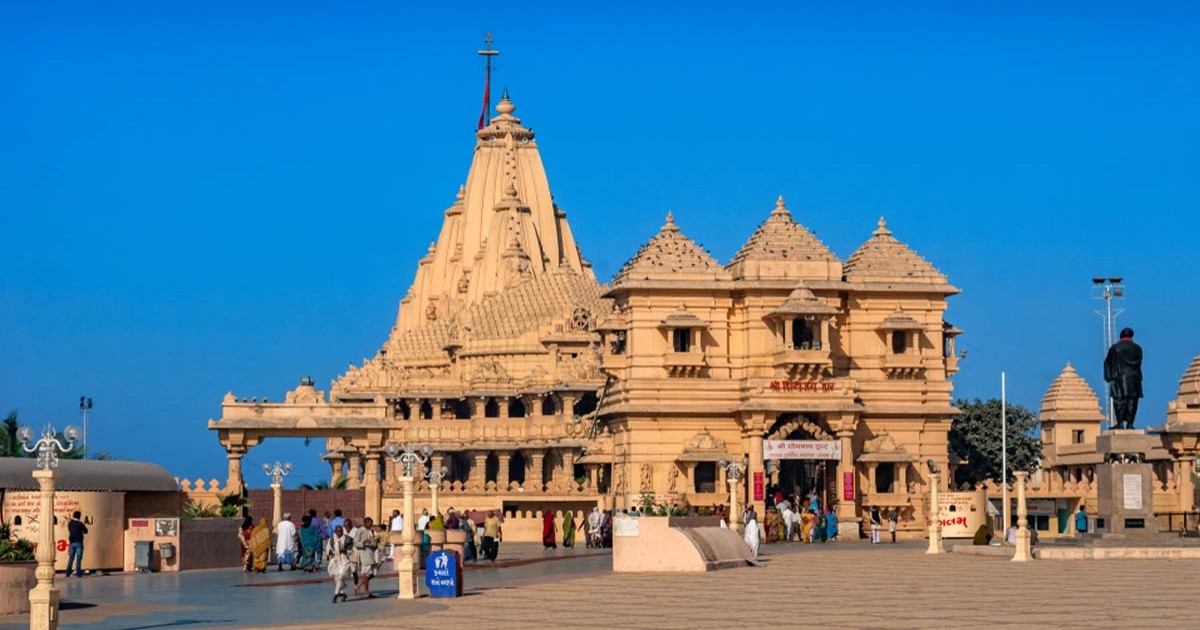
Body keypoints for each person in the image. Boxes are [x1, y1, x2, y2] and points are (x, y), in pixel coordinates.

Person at [1104, 327, 1144, 430]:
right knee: (1132, 402)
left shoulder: (1115, 348)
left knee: (1119, 401)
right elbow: (1139, 363)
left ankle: (1120, 423)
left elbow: (1108, 362)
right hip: (1134, 379)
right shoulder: (1138, 348)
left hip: (1119, 378)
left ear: (1121, 335)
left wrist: (1108, 376)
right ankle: (1130, 424)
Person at [324, 525, 352, 603]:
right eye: (338, 531)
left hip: (344, 560)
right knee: (337, 578)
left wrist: (345, 551)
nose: (339, 533)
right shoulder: (331, 540)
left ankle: (336, 594)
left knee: (340, 576)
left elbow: (351, 551)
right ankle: (343, 593)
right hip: (335, 561)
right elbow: (328, 550)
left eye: (340, 531)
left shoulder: (347, 539)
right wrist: (332, 553)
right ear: (335, 532)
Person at [66, 511, 87, 578]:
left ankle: (68, 573)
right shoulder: (80, 523)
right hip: (78, 542)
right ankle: (78, 573)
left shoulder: (70, 523)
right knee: (78, 558)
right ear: (79, 516)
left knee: (71, 558)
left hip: (72, 542)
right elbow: (86, 531)